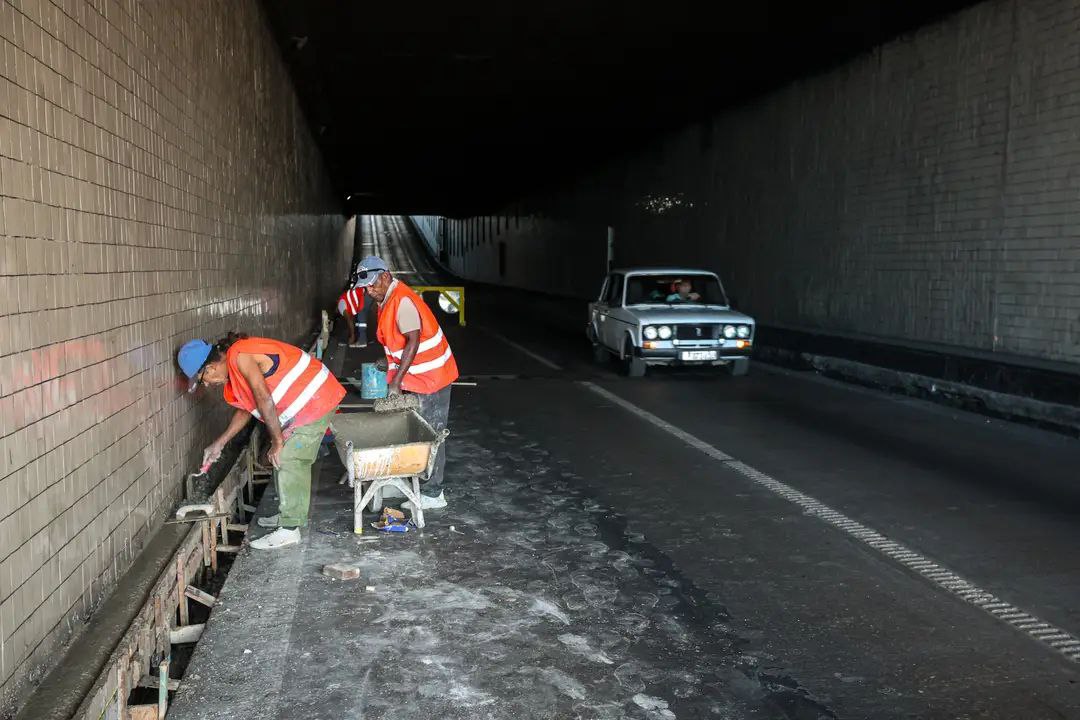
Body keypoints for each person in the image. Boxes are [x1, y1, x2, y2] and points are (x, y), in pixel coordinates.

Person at [177, 332, 346, 549]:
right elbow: (247, 409)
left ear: (209, 369)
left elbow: (263, 396)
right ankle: (287, 514)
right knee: (279, 456)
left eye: (202, 381)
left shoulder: (240, 356)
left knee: (287, 456)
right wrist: (220, 443)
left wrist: (277, 442)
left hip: (316, 398)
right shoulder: (235, 373)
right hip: (307, 403)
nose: (208, 385)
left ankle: (289, 529)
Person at [354, 256, 458, 510]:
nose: (369, 290)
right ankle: (417, 481)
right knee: (418, 430)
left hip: (432, 378)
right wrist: (386, 362)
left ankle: (434, 494)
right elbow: (398, 343)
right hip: (421, 378)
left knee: (432, 434)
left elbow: (413, 341)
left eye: (372, 284)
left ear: (386, 276)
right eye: (365, 287)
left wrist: (396, 381)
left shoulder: (403, 301)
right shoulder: (387, 299)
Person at [337, 282, 368, 346]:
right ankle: (359, 339)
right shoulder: (345, 303)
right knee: (357, 319)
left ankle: (362, 341)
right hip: (363, 294)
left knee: (361, 319)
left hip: (363, 295)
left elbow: (349, 320)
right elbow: (351, 319)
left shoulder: (341, 307)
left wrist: (352, 335)